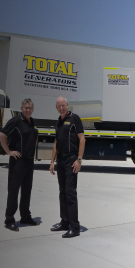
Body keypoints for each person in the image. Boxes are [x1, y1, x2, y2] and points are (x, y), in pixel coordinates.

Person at [0, 98, 39, 231]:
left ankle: (25, 216)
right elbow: (2, 134)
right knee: (13, 190)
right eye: (25, 108)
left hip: (29, 161)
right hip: (18, 161)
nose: (28, 110)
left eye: (30, 108)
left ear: (32, 110)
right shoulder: (16, 121)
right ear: (21, 109)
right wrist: (9, 151)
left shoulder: (32, 121)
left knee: (27, 190)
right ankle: (9, 219)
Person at [49, 96, 85, 238]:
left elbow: (82, 139)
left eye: (63, 105)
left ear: (67, 105)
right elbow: (56, 142)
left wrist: (79, 160)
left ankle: (74, 227)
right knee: (62, 192)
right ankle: (64, 222)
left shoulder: (75, 119)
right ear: (56, 107)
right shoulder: (58, 121)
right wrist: (52, 162)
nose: (61, 108)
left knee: (70, 193)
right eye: (59, 106)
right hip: (61, 160)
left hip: (71, 159)